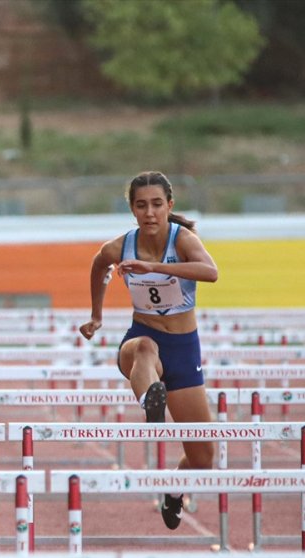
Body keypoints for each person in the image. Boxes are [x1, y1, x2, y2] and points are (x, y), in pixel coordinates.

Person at [78, 171, 218, 530]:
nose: (150, 212)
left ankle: (174, 489)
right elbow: (98, 264)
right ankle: (150, 403)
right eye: (141, 205)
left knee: (203, 458)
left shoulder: (182, 239)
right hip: (141, 338)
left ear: (169, 205)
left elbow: (211, 272)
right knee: (144, 349)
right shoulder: (120, 247)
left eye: (157, 204)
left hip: (183, 349)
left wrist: (154, 267)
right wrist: (96, 315)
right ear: (132, 210)